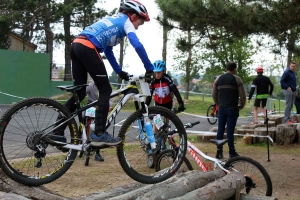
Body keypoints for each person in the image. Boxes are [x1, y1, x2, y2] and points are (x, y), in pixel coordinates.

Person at [50, 0, 154, 147]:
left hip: (76, 45)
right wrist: (149, 68)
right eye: (140, 23)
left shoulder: (113, 20)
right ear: (134, 16)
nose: (137, 28)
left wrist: (119, 71)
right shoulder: (127, 22)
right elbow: (137, 44)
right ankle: (99, 133)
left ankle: (56, 132)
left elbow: (108, 51)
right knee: (105, 89)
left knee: (79, 93)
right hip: (87, 47)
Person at [212, 62, 246, 159]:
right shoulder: (237, 79)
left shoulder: (218, 79)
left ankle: (219, 152)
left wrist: (218, 103)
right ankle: (232, 152)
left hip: (221, 108)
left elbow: (214, 94)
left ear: (226, 68)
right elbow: (242, 95)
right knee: (230, 131)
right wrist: (241, 106)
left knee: (220, 130)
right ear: (234, 69)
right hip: (232, 108)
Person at [85, 82, 113, 161]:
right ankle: (82, 137)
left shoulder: (105, 86)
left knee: (100, 127)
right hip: (91, 107)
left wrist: (109, 106)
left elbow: (109, 98)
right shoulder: (90, 86)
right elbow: (83, 93)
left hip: (100, 108)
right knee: (85, 120)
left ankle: (97, 153)